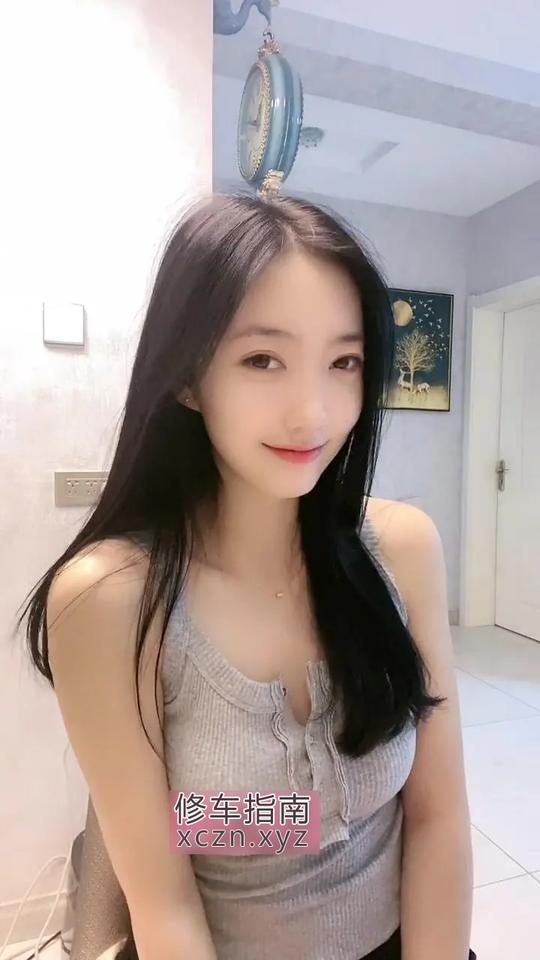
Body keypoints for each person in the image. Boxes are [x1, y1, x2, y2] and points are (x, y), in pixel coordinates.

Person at [19, 192, 477, 959]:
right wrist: (257, 821)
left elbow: (437, 819)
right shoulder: (108, 600)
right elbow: (163, 902)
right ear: (187, 376)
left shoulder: (401, 548)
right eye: (263, 359)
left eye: (344, 362)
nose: (312, 412)